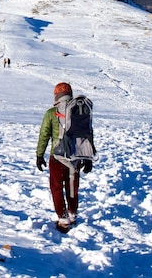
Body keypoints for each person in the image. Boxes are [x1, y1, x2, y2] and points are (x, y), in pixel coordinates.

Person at [36, 82, 92, 231]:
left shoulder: (51, 113)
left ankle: (63, 218)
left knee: (56, 187)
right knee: (72, 185)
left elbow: (44, 135)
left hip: (57, 157)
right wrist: (88, 157)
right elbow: (87, 133)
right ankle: (72, 214)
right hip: (76, 156)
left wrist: (39, 155)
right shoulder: (80, 110)